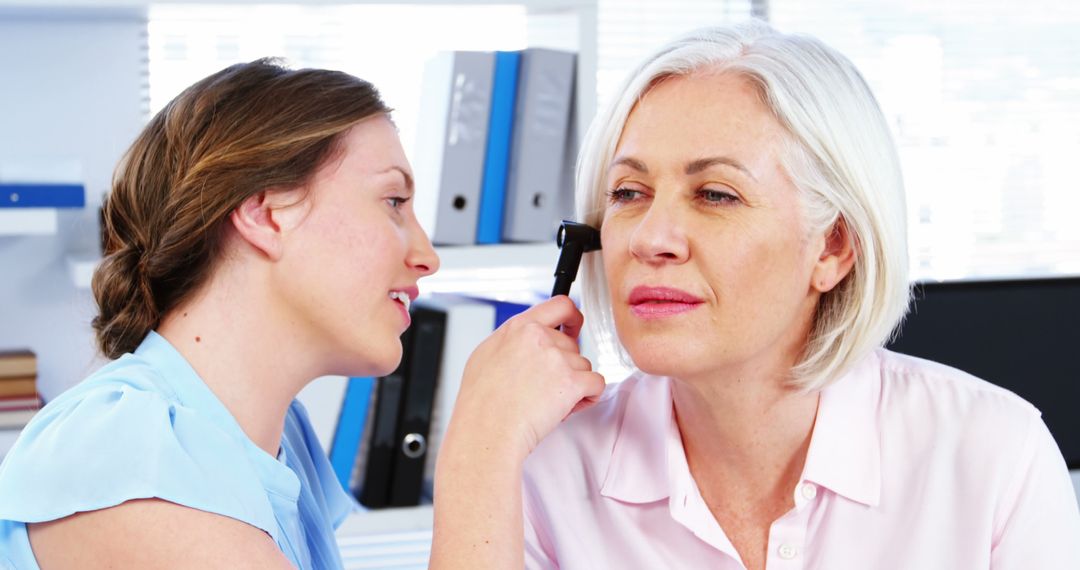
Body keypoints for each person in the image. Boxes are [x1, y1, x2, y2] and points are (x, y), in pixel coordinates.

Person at [430, 21, 1080, 569]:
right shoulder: (544, 470)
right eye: (628, 193)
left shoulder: (994, 459)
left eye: (715, 194)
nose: (651, 238)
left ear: (832, 248)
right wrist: (473, 454)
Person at [0, 59, 439, 569]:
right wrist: (486, 450)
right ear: (265, 214)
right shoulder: (132, 456)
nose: (428, 255)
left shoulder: (275, 440)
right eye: (393, 200)